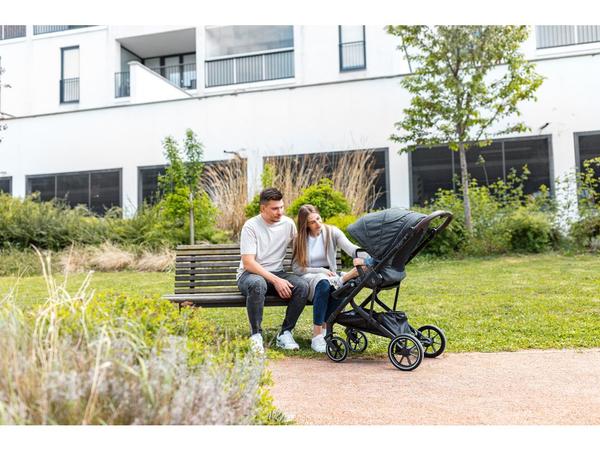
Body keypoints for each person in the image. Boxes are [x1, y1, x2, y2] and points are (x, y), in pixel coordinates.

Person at [237, 188, 309, 354]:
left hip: (278, 272)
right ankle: (256, 336)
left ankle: (285, 333)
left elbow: (301, 250)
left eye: (282, 207)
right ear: (263, 208)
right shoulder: (251, 226)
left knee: (302, 286)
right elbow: (248, 263)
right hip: (250, 275)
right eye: (275, 208)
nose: (280, 212)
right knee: (257, 283)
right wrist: (276, 280)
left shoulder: (288, 224)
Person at [292, 204, 364, 353]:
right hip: (310, 276)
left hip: (330, 276)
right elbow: (297, 269)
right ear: (306, 224)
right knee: (324, 283)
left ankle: (325, 330)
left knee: (345, 285)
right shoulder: (299, 239)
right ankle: (317, 336)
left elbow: (351, 248)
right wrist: (321, 270)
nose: (318, 223)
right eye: (312, 222)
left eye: (318, 219)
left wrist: (369, 256)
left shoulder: (332, 232)